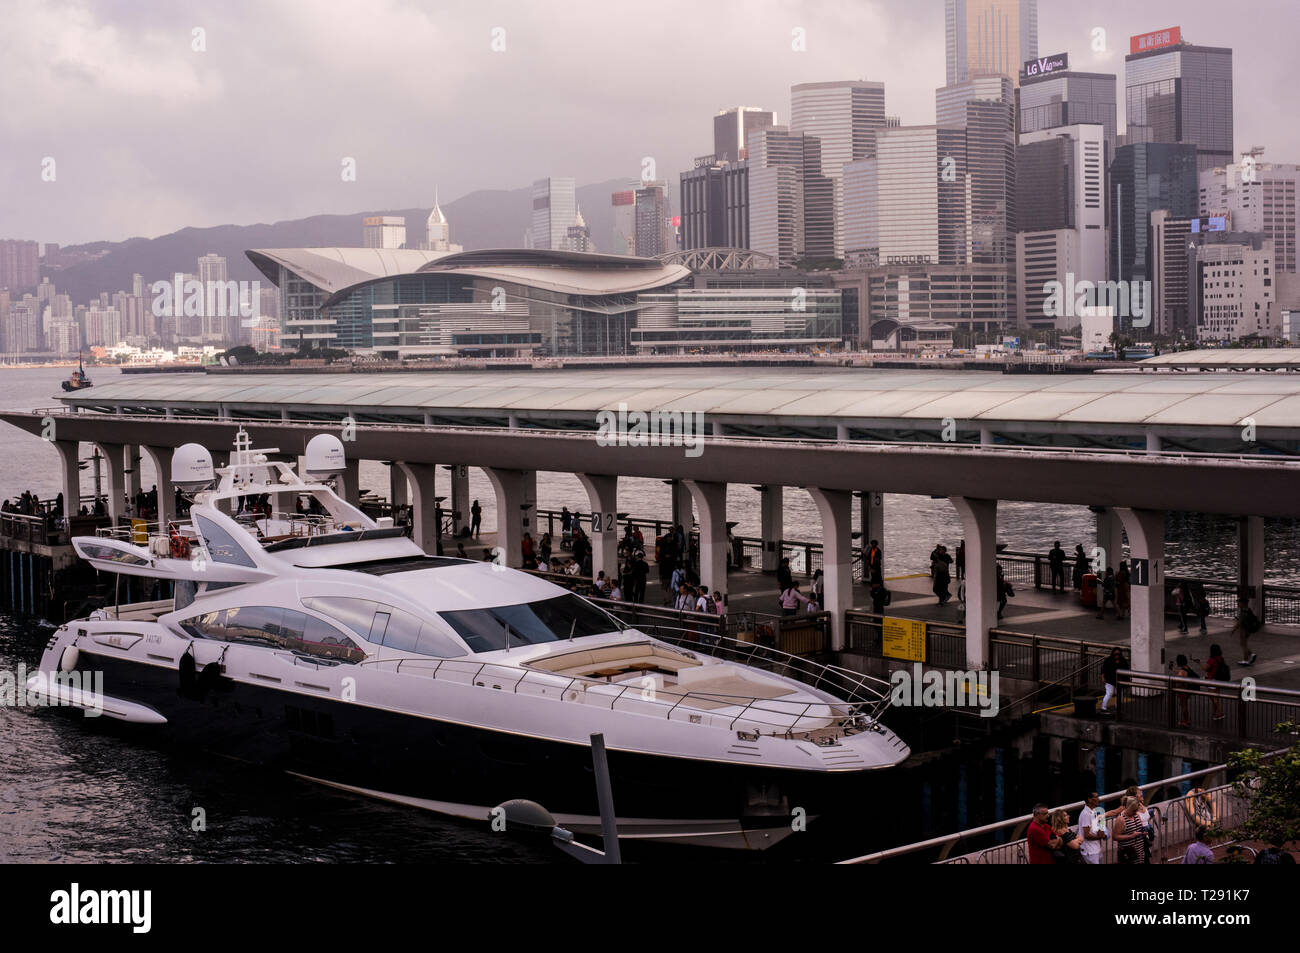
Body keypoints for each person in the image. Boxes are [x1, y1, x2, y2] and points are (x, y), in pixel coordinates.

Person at [1111, 796, 1149, 865]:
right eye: (1134, 810)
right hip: (1127, 853)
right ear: (1128, 807)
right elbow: (1115, 837)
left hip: (1139, 850)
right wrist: (1131, 836)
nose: (1135, 812)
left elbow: (1137, 829)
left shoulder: (1136, 815)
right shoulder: (1121, 819)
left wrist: (1142, 833)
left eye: (1136, 810)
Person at [1078, 791, 1109, 864]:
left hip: (1096, 849)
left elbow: (1096, 830)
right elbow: (1087, 835)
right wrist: (1100, 837)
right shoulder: (1085, 814)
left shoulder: (1093, 812)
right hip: (1090, 852)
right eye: (1096, 797)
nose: (1099, 799)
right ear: (1089, 799)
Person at [1232, 596, 1260, 667]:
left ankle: (1246, 660)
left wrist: (1233, 630)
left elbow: (1239, 623)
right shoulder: (1248, 610)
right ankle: (1250, 655)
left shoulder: (1243, 611)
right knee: (1243, 644)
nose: (1238, 604)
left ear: (1243, 603)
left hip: (1244, 629)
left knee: (1243, 644)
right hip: (1248, 629)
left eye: (1239, 603)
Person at [1204, 644, 1229, 721]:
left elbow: (1205, 669)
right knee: (1216, 697)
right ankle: (1215, 712)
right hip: (1218, 680)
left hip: (1212, 680)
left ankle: (1220, 713)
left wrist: (1199, 663)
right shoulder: (1221, 658)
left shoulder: (1211, 660)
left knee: (1214, 698)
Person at [1173, 654, 1198, 728]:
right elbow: (1184, 674)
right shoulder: (1187, 668)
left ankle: (1186, 721)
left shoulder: (1181, 672)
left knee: (1184, 706)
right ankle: (1187, 720)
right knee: (1184, 705)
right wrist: (1174, 670)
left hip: (1182, 691)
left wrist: (1174, 684)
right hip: (1187, 690)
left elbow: (1178, 683)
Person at [1100, 647, 1127, 713]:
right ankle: (1103, 708)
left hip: (1120, 680)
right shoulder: (1108, 660)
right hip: (1110, 680)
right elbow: (1103, 669)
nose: (1117, 655)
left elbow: (1126, 669)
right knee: (1109, 693)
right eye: (1115, 654)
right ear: (1113, 653)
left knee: (1120, 695)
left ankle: (1118, 707)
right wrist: (1103, 678)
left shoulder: (1123, 660)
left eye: (1118, 654)